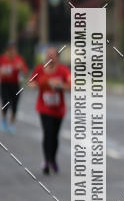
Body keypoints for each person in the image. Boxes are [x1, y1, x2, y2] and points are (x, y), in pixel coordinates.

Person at [29, 47, 71, 175]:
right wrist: (38, 84)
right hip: (44, 107)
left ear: (57, 58)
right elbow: (31, 82)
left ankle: (53, 159)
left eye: (53, 56)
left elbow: (71, 84)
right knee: (47, 132)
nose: (50, 58)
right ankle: (46, 161)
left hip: (58, 109)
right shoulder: (39, 69)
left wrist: (59, 85)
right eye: (48, 55)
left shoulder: (63, 70)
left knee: (54, 135)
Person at [0, 41, 28, 133]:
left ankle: (11, 124)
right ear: (7, 50)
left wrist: (20, 68)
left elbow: (25, 72)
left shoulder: (19, 59)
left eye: (14, 50)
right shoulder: (2, 59)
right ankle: (3, 121)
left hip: (15, 85)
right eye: (10, 50)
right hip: (5, 84)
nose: (12, 52)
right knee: (5, 102)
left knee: (15, 105)